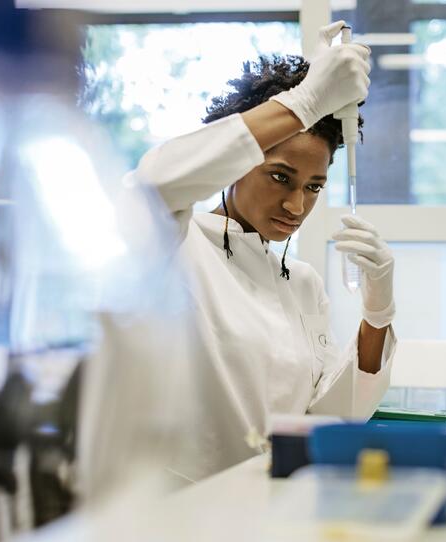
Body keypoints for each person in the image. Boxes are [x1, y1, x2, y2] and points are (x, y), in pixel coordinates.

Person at [127, 21, 397, 478]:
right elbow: (152, 183)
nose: (296, 205)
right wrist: (304, 102)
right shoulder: (173, 242)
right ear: (236, 163)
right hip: (177, 510)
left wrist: (379, 312)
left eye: (314, 186)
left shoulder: (303, 284)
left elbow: (333, 416)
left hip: (269, 505)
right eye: (280, 177)